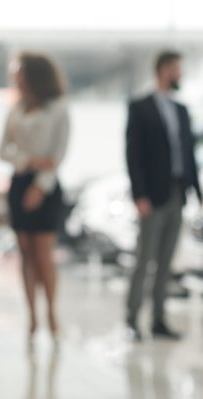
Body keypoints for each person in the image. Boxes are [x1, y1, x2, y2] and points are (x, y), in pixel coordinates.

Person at [125, 50, 202, 341]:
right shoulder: (141, 107)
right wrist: (139, 195)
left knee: (168, 260)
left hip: (176, 193)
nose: (180, 74)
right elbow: (134, 155)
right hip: (152, 196)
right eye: (177, 69)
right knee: (145, 258)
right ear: (163, 70)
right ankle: (132, 318)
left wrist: (197, 193)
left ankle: (159, 318)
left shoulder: (181, 110)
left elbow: (187, 156)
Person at [0, 52, 69, 344]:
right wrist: (28, 160)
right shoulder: (15, 109)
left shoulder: (58, 109)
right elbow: (3, 150)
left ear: (33, 75)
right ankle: (32, 316)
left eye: (19, 72)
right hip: (18, 182)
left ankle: (51, 311)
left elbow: (57, 156)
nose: (15, 77)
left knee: (43, 254)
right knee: (25, 254)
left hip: (47, 187)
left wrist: (39, 186)